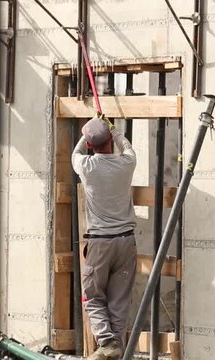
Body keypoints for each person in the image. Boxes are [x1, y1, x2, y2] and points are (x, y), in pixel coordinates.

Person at [71, 115, 137, 360]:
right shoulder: (126, 163)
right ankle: (116, 352)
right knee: (119, 301)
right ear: (110, 139)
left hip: (100, 243)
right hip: (126, 242)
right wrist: (113, 129)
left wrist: (88, 130)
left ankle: (107, 342)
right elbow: (127, 147)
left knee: (93, 296)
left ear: (90, 145)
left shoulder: (86, 166)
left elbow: (75, 153)